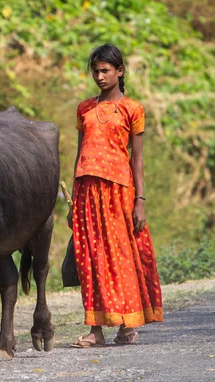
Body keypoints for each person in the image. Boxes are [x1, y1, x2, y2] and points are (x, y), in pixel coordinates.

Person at [67, 43, 163, 347]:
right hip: (86, 190)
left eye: (105, 70)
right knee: (90, 258)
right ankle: (96, 330)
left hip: (119, 191)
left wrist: (140, 201)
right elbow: (80, 152)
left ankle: (126, 324)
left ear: (119, 72)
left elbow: (137, 159)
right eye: (95, 70)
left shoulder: (132, 109)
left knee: (121, 257)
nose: (99, 75)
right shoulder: (84, 108)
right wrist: (73, 198)